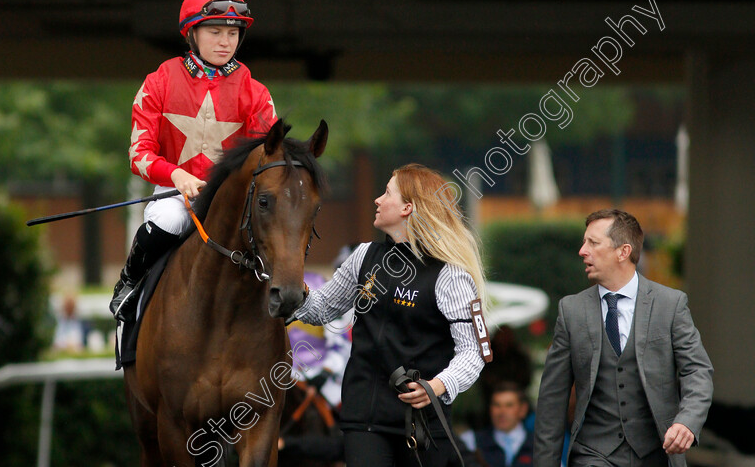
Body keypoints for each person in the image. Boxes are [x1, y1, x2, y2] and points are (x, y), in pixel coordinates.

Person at [292, 163, 490, 466]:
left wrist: (437, 386)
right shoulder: (363, 256)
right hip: (364, 420)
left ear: (408, 208)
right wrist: (289, 286)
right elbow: (321, 309)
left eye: (387, 193)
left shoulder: (450, 275)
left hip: (423, 423)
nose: (377, 200)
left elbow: (473, 352)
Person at [109, 0, 278, 319]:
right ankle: (130, 281)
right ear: (192, 33)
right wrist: (175, 174)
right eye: (215, 31)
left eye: (232, 33)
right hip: (174, 194)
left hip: (232, 200)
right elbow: (139, 155)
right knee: (169, 220)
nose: (225, 41)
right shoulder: (159, 82)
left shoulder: (257, 94)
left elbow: (268, 161)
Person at [533, 209, 713, 467]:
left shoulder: (670, 304)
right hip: (592, 455)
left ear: (623, 252)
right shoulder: (571, 311)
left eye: (593, 243)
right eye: (584, 242)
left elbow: (697, 370)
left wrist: (687, 422)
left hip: (658, 454)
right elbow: (552, 399)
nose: (582, 251)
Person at [474, 382, 533, 467]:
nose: (502, 412)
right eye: (497, 405)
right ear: (490, 409)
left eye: (509, 405)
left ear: (523, 410)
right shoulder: (471, 442)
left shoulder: (538, 445)